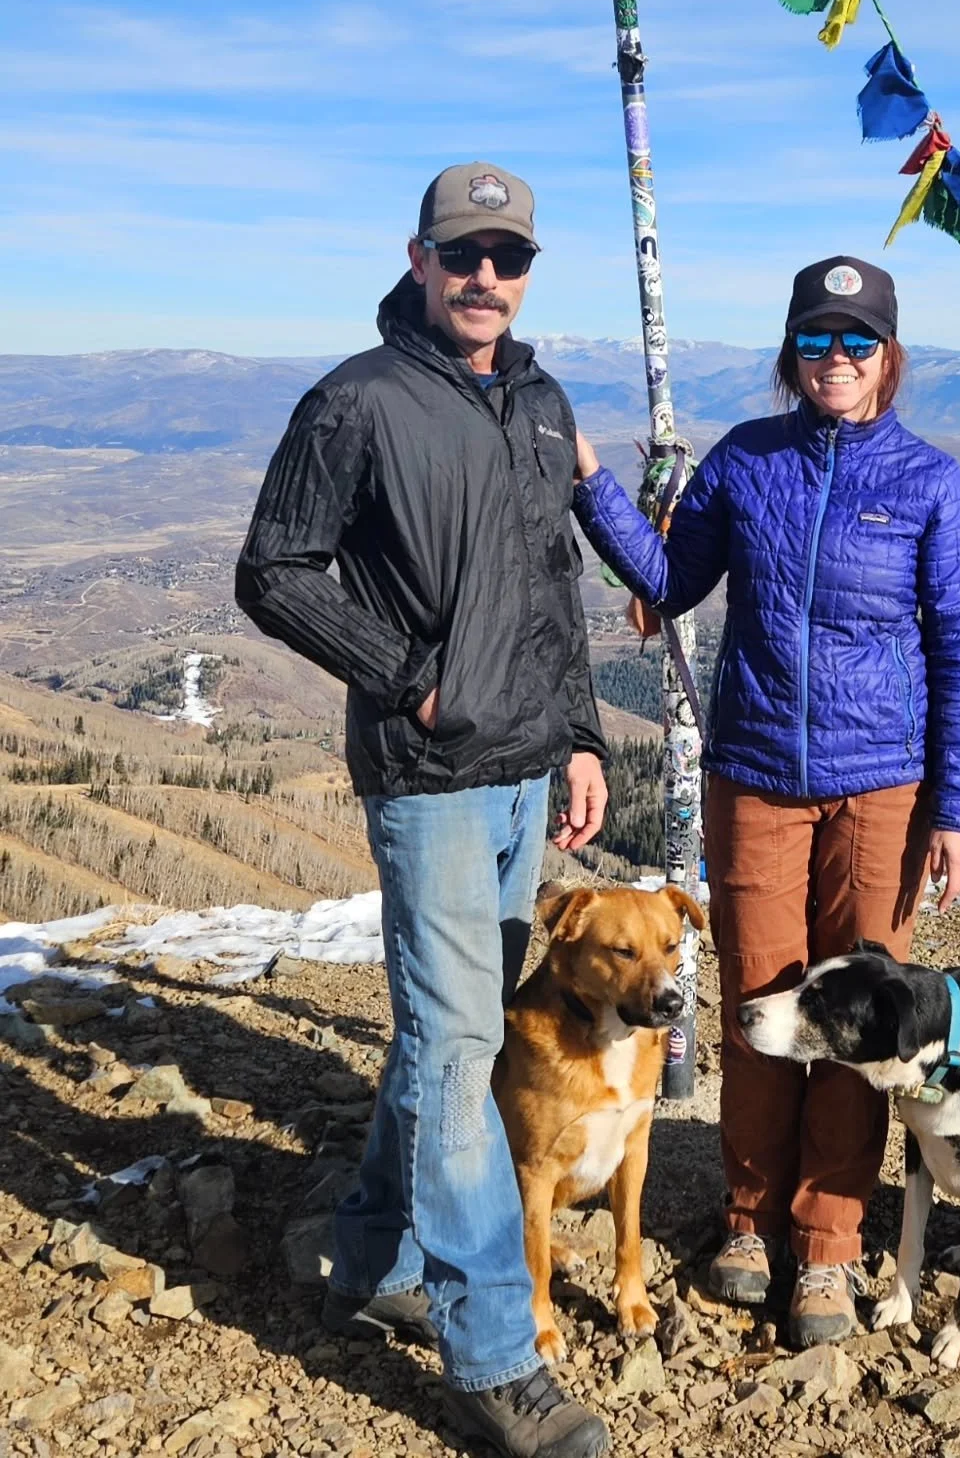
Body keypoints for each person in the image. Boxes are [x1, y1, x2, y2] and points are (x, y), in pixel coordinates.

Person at [236, 163, 610, 1458]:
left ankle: (365, 1248)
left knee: (446, 1029)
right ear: (418, 256)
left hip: (524, 771)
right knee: (459, 1052)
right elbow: (274, 567)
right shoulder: (357, 399)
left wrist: (580, 733)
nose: (486, 276)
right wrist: (407, 678)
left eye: (508, 256)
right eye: (464, 254)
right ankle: (496, 1351)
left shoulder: (543, 403)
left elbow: (555, 584)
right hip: (428, 774)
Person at [571, 255, 960, 1350]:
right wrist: (589, 486)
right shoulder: (747, 463)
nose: (836, 360)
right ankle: (750, 1219)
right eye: (817, 341)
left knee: (859, 1021)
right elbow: (667, 583)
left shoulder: (929, 483)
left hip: (881, 787)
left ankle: (833, 1240)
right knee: (763, 1004)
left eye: (857, 341)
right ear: (790, 354)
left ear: (890, 355)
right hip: (755, 774)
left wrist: (958, 808)